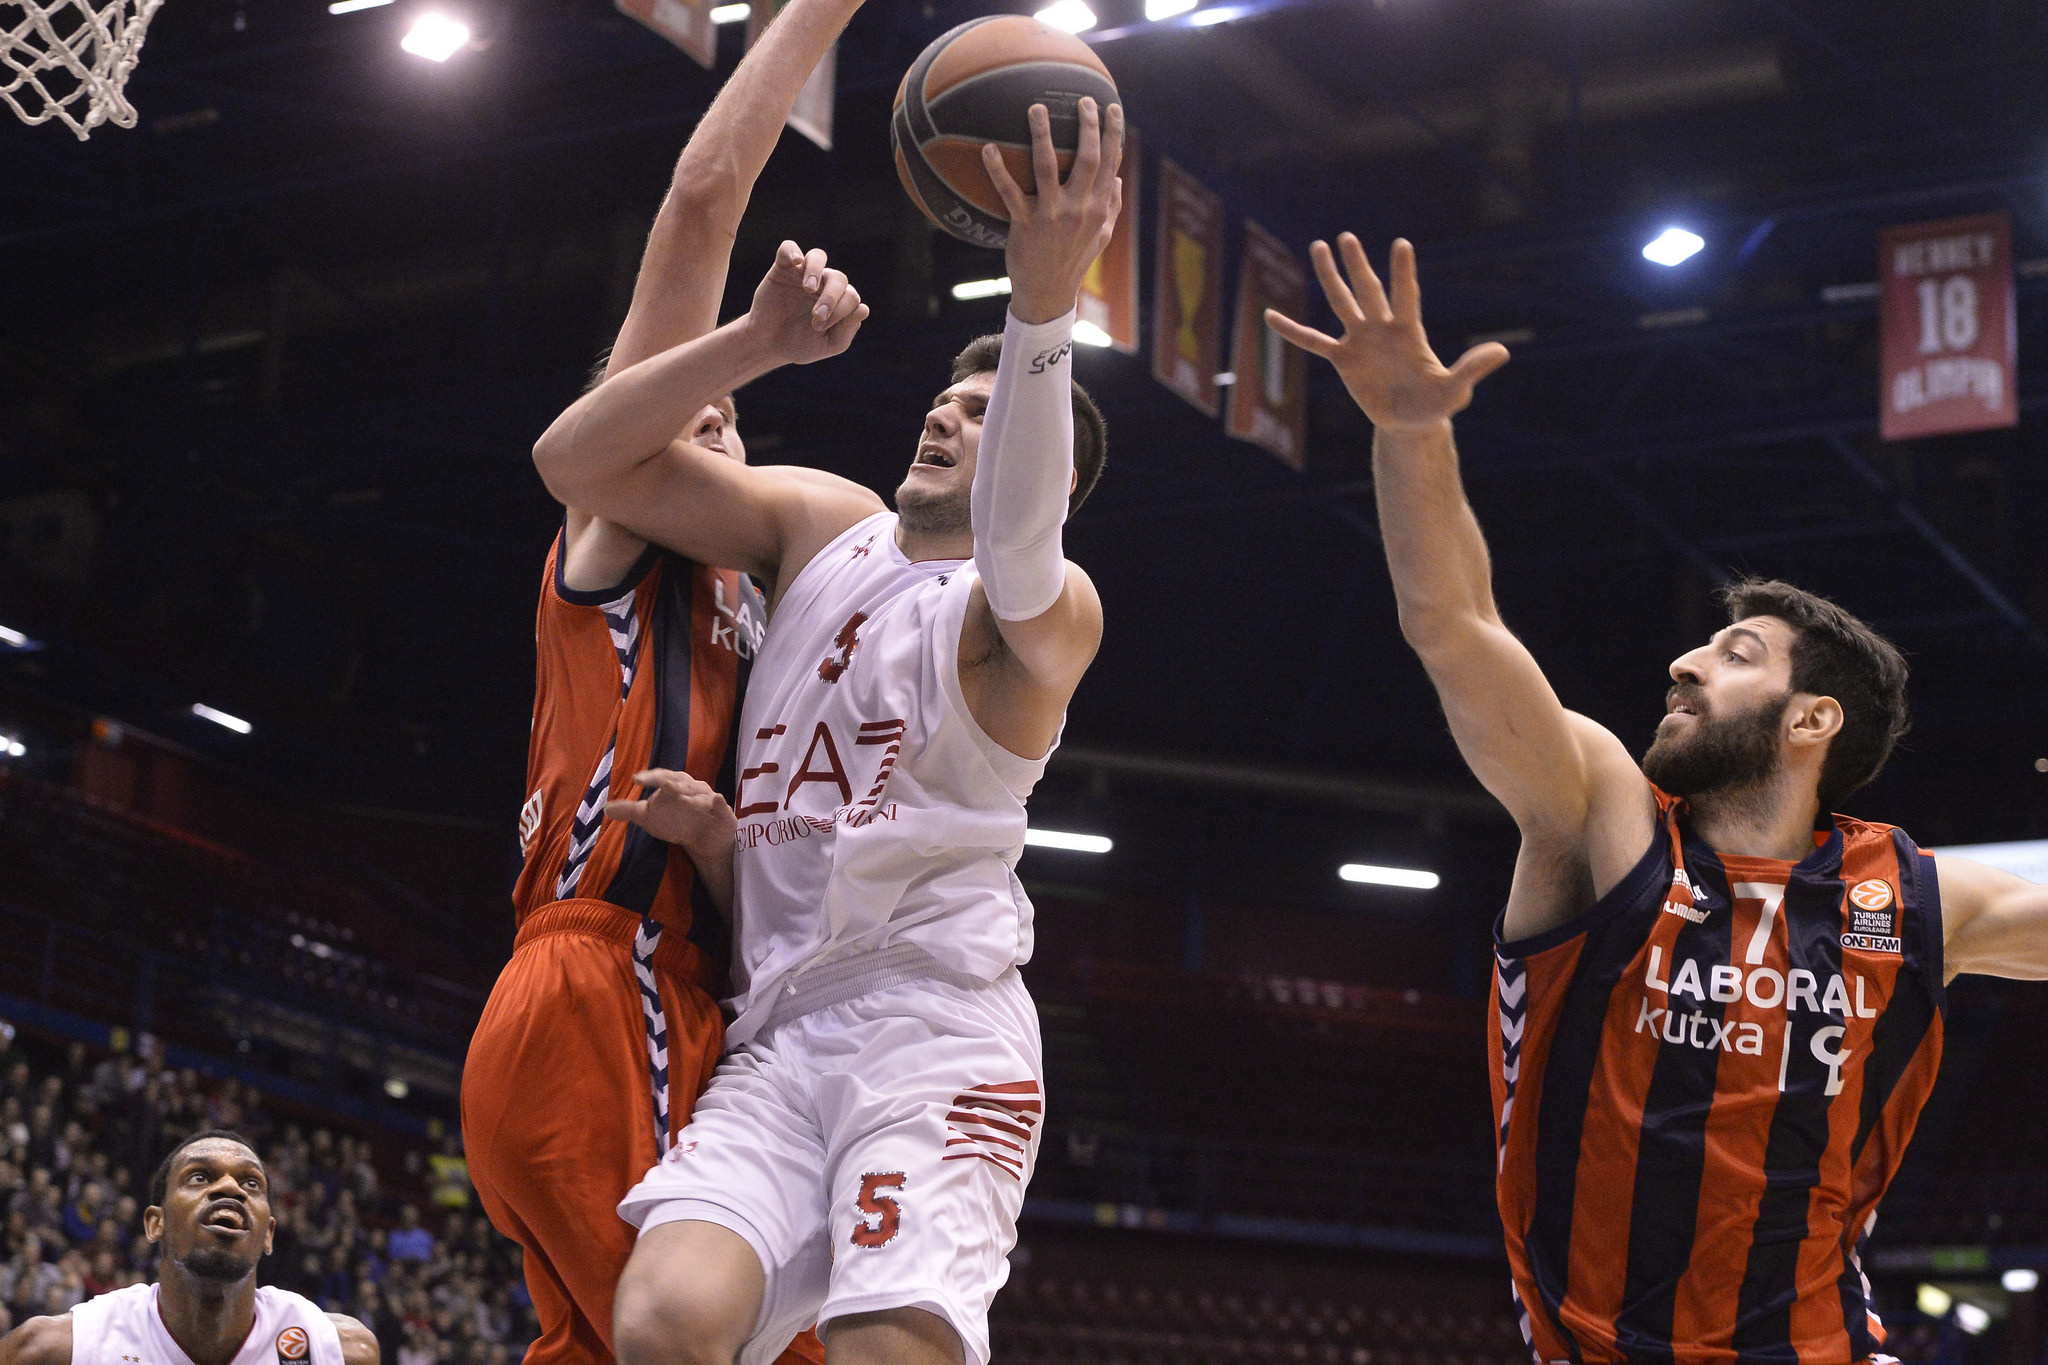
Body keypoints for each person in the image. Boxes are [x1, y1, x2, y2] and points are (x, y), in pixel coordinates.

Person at [1266, 232, 2048, 1365]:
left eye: (1732, 653)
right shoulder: (1601, 819)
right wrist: (1406, 429)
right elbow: (1455, 626)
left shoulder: (1914, 901)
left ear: (1810, 721)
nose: (1682, 662)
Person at [531, 86, 1123, 1365]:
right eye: (944, 401)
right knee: (662, 1324)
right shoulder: (822, 524)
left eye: (980, 417)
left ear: (1044, 470)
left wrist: (1040, 304)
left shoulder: (1040, 614)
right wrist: (748, 343)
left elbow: (1019, 543)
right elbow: (578, 464)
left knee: (878, 1352)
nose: (942, 417)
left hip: (934, 1028)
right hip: (784, 1025)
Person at [457, 5, 865, 1365]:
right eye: (685, 401)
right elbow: (702, 198)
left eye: (736, 415)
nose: (719, 418)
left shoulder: (757, 606)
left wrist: (725, 844)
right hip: (596, 972)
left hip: (681, 992)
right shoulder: (613, 528)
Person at [0, 1131, 377, 1365]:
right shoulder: (56, 1351)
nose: (230, 1188)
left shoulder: (341, 1352)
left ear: (268, 1234)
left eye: (251, 1184)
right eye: (199, 1177)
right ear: (155, 1223)